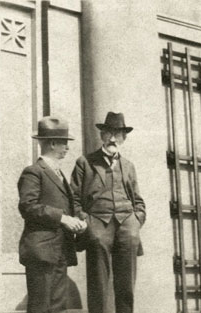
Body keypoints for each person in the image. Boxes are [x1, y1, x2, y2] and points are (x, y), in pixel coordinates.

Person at [71, 112, 146, 313]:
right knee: (98, 284)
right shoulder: (85, 162)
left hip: (127, 225)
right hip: (98, 223)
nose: (113, 138)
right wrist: (87, 222)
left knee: (126, 285)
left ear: (124, 138)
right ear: (102, 135)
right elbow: (74, 200)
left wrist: (136, 221)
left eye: (118, 134)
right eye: (109, 133)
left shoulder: (129, 166)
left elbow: (139, 201)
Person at [18, 116, 87, 313]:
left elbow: (70, 203)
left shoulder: (59, 173)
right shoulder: (33, 172)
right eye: (64, 143)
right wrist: (63, 218)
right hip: (41, 252)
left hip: (60, 250)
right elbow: (28, 206)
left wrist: (79, 219)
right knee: (40, 307)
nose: (67, 148)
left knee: (57, 308)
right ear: (53, 143)